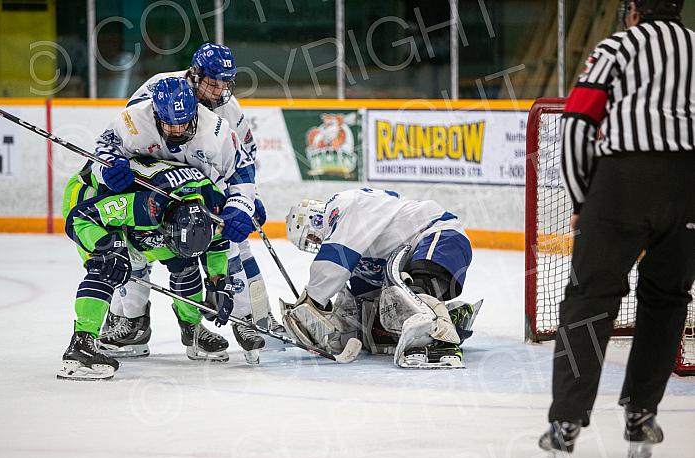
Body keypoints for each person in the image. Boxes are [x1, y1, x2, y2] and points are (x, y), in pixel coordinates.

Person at [539, 0, 695, 458]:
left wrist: (583, 199)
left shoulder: (617, 46)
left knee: (590, 297)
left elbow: (577, 122)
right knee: (667, 298)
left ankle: (566, 421)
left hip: (622, 183)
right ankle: (642, 414)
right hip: (689, 185)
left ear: (632, 11)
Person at [73, 74, 265, 363]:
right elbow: (100, 158)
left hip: (185, 196)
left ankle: (206, 324)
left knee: (191, 255)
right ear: (155, 113)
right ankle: (131, 323)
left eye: (184, 122)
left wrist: (242, 204)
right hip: (132, 198)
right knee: (121, 258)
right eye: (169, 123)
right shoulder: (133, 120)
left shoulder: (216, 130)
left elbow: (240, 172)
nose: (176, 130)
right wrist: (109, 170)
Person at [58, 157, 234, 380]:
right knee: (108, 265)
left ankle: (192, 328)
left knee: (185, 265)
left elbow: (217, 242)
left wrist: (218, 281)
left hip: (164, 205)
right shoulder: (143, 206)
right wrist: (108, 247)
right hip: (92, 199)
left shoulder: (213, 204)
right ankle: (82, 344)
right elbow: (79, 219)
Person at [281, 188, 479, 368]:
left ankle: (441, 342)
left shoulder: (345, 205)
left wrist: (312, 299)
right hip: (416, 254)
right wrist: (327, 331)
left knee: (406, 300)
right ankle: (448, 316)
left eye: (311, 237)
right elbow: (362, 304)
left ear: (315, 219)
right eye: (308, 244)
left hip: (439, 237)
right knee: (375, 330)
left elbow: (334, 259)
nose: (315, 243)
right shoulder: (358, 248)